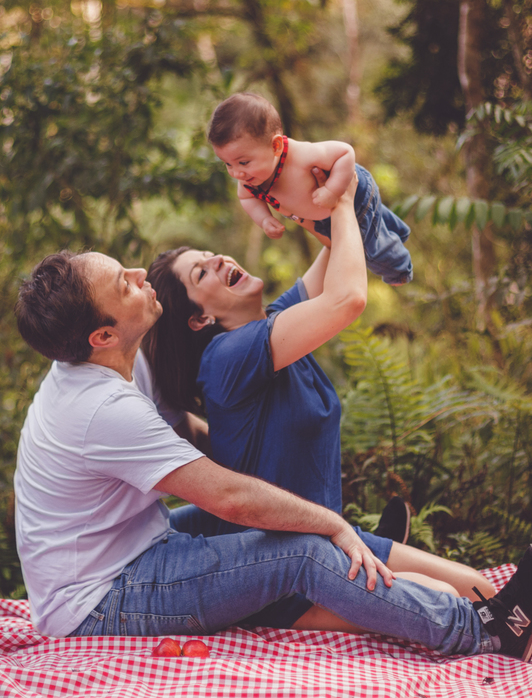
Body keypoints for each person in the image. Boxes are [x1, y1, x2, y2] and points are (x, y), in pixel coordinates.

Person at [10, 183, 532, 661]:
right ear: (100, 335)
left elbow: (190, 442)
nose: (136, 273)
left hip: (130, 548)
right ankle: (483, 631)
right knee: (298, 549)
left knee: (272, 530)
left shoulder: (119, 364)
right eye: (124, 286)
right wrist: (330, 524)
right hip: (101, 602)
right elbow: (229, 497)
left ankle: (354, 580)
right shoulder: (103, 408)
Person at [143, 169, 491, 631]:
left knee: (481, 591)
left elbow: (336, 247)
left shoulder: (275, 322)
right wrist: (344, 203)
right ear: (198, 318)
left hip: (330, 537)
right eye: (201, 271)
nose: (218, 259)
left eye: (210, 255)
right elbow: (347, 298)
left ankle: (381, 547)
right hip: (285, 575)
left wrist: (302, 188)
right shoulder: (228, 357)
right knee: (447, 598)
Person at [209, 91, 413, 286]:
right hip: (323, 218)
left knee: (371, 249)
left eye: (243, 162)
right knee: (373, 224)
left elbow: (345, 153)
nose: (236, 173)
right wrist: (264, 219)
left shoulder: (301, 155)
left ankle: (400, 271)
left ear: (276, 146)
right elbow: (247, 199)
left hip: (353, 194)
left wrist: (332, 190)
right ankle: (399, 231)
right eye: (227, 164)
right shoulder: (248, 180)